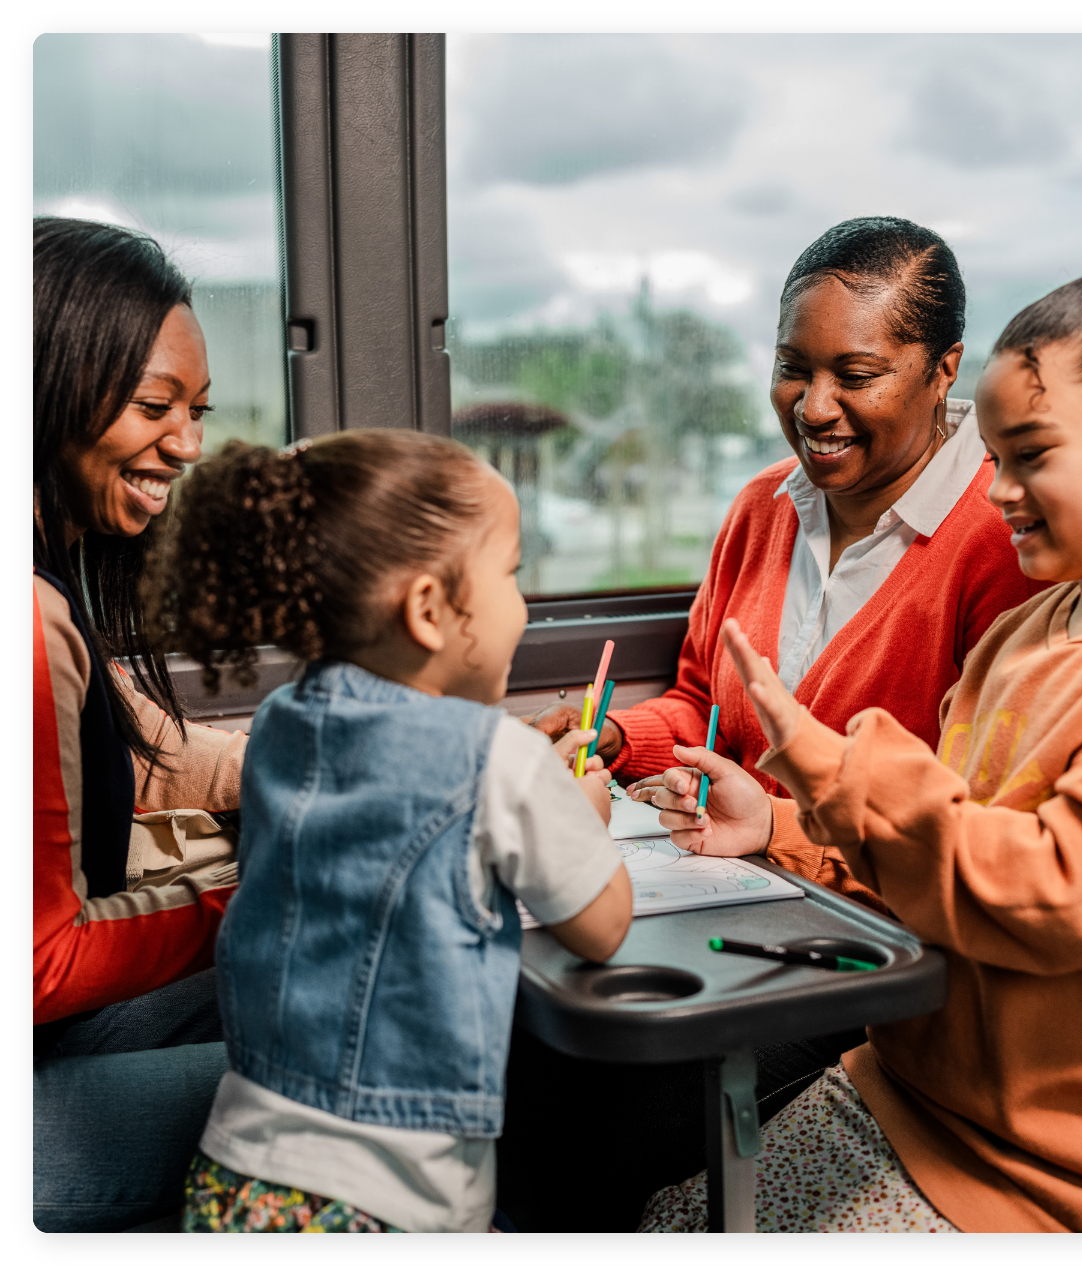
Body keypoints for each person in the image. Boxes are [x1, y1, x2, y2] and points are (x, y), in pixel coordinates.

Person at [504, 217, 1043, 1232]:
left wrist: (787, 834)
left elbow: (966, 822)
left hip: (868, 935)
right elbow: (704, 702)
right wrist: (617, 739)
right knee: (533, 1055)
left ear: (944, 371)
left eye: (857, 374)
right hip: (732, 886)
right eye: (793, 369)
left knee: (601, 1118)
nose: (815, 406)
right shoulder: (764, 507)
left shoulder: (1000, 544)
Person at [638, 259, 1082, 1232]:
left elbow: (1054, 892)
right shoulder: (1023, 638)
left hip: (1037, 1166)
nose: (999, 493)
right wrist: (772, 819)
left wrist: (837, 771)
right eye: (994, 459)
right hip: (901, 1085)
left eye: (1031, 456)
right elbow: (924, 857)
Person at [143, 429, 632, 1233]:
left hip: (237, 1177)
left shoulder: (279, 725)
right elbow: (602, 927)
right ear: (431, 610)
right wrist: (580, 816)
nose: (524, 602)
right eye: (510, 574)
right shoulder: (499, 759)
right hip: (390, 1201)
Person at [33, 219, 248, 1232]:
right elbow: (46, 963)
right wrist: (255, 896)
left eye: (196, 411)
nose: (189, 445)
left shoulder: (55, 578)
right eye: (155, 406)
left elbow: (159, 756)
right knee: (368, 1065)